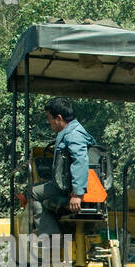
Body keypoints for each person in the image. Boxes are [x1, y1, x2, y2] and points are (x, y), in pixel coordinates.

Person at [30, 97, 96, 238]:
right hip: (67, 185)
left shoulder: (73, 135)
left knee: (31, 193)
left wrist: (78, 194)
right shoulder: (71, 131)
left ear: (58, 118)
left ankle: (51, 238)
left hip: (69, 189)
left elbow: (80, 161)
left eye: (49, 118)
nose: (48, 122)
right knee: (37, 188)